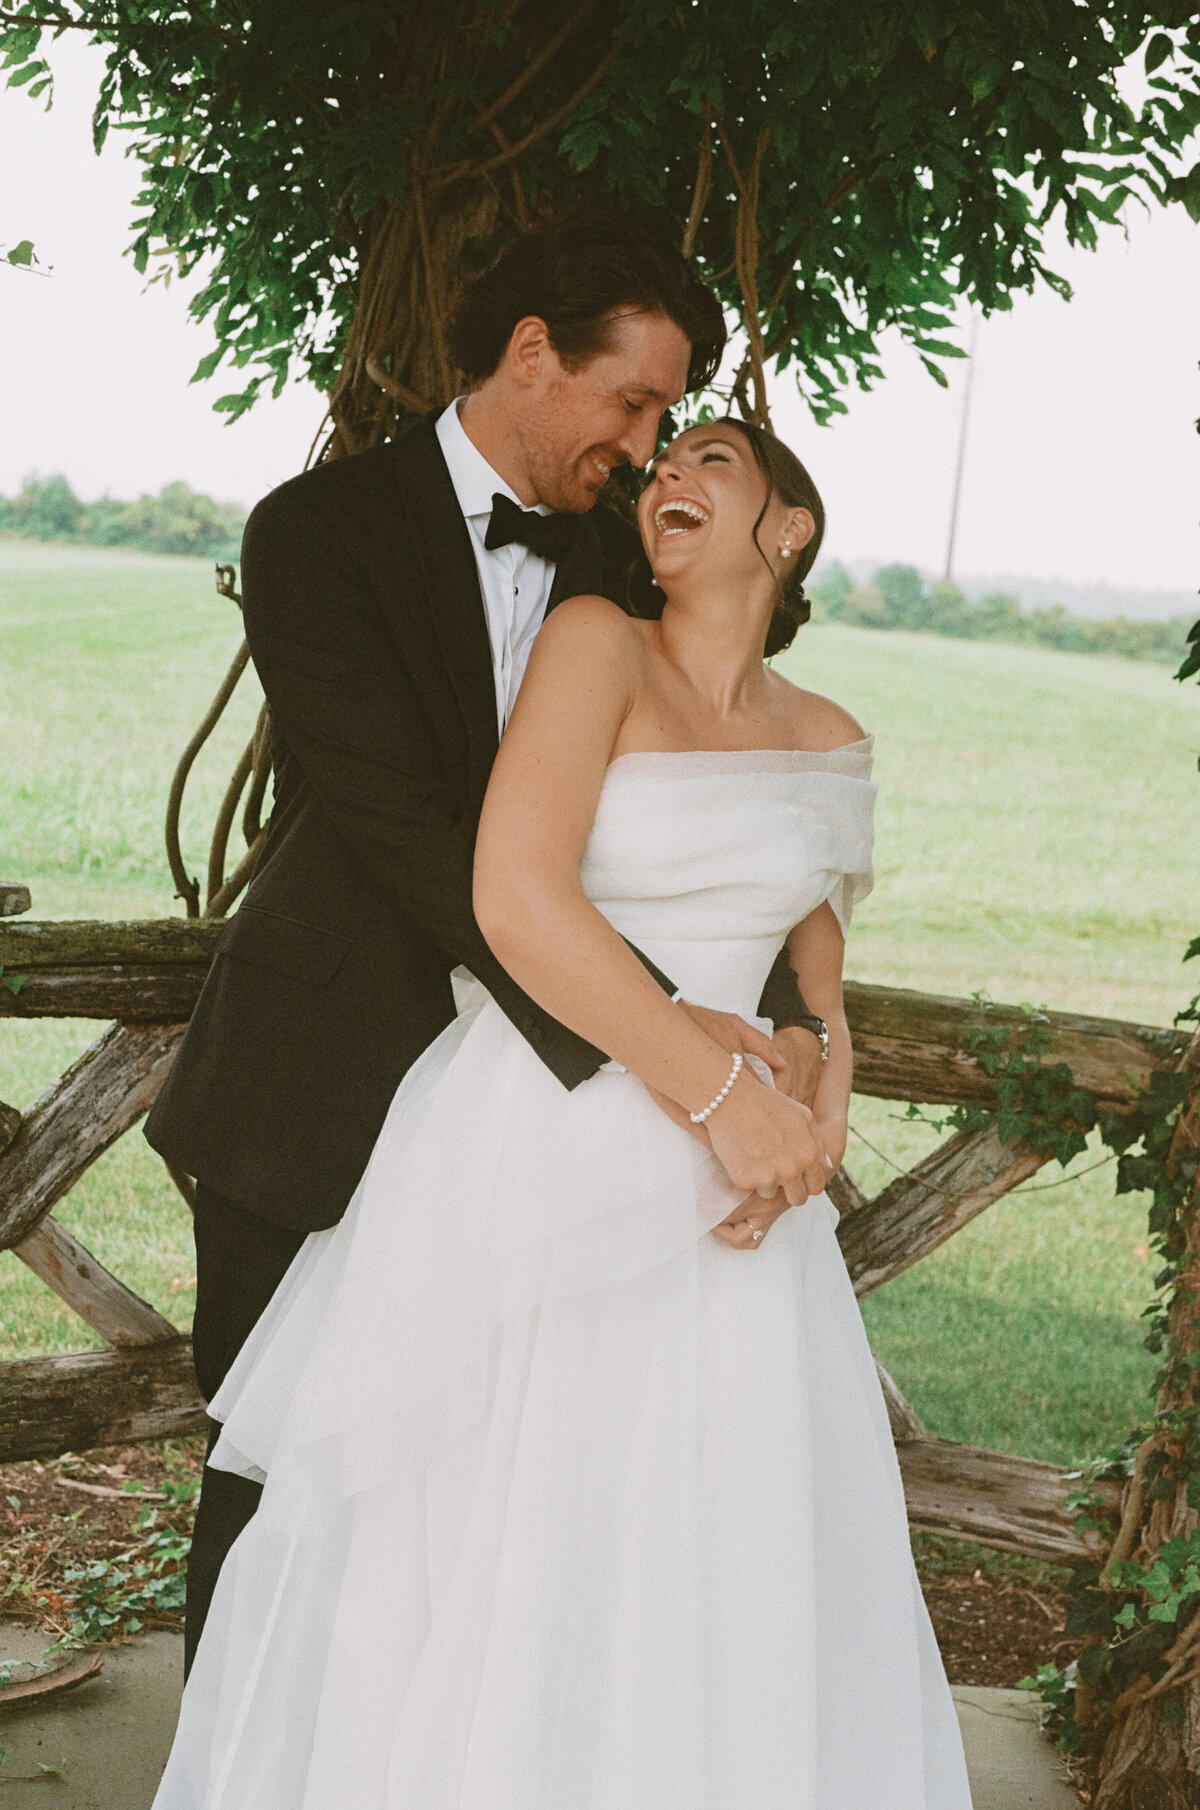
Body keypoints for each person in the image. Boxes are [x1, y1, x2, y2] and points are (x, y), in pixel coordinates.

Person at [151, 415, 973, 1808]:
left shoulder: (830, 737)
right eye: (663, 461)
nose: (668, 473)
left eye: (711, 457)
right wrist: (720, 1089)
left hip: (743, 1190)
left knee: (702, 1521)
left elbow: (820, 984)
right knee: (501, 1513)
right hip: (552, 1119)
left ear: (790, 528)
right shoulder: (598, 643)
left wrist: (813, 1109)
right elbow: (512, 895)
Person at [143, 211, 829, 1670]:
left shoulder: (627, 559)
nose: (647, 447)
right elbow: (413, 833)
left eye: (666, 417)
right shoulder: (317, 532)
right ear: (532, 354)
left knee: (491, 1521)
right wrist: (672, 1027)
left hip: (544, 1131)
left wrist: (784, 1009)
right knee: (284, 1494)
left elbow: (710, 803)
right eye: (631, 401)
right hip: (323, 1079)